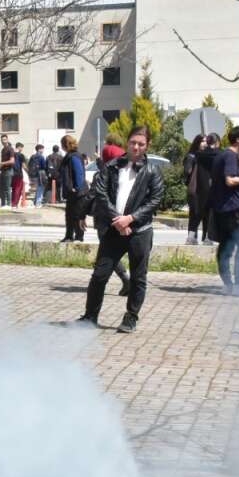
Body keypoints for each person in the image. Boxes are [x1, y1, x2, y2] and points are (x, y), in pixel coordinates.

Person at [76, 126, 164, 334]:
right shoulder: (113, 166)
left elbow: (155, 200)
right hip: (114, 230)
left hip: (140, 231)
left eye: (141, 144)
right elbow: (101, 193)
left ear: (147, 146)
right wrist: (118, 221)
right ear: (127, 142)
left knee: (138, 278)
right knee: (99, 275)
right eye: (133, 142)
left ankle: (131, 317)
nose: (136, 147)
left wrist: (130, 219)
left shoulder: (153, 171)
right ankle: (90, 316)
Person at [209, 126, 239, 295]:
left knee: (227, 246)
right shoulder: (230, 155)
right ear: (238, 140)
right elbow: (229, 181)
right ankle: (238, 282)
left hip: (225, 208)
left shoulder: (223, 155)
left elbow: (224, 184)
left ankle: (230, 283)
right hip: (233, 210)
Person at [59, 134, 88, 242]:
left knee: (77, 215)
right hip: (72, 192)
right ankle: (69, 236)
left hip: (78, 193)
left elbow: (79, 173)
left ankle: (79, 238)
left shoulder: (74, 156)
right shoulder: (71, 156)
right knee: (70, 215)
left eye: (62, 144)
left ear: (65, 145)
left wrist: (77, 187)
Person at [182, 134, 209, 244]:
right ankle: (191, 237)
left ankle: (207, 238)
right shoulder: (191, 156)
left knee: (207, 214)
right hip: (195, 190)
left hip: (206, 189)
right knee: (195, 213)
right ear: (197, 142)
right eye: (202, 141)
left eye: (206, 141)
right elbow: (187, 172)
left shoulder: (207, 156)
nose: (205, 143)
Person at [0, 136, 14, 208]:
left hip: (8, 170)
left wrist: (3, 163)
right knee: (1, 188)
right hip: (3, 171)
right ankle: (3, 204)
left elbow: (12, 161)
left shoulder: (10, 149)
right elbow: (2, 162)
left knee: (7, 188)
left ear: (7, 140)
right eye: (2, 140)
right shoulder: (3, 150)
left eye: (4, 139)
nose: (3, 141)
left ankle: (9, 204)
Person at [11, 142, 27, 207]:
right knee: (18, 189)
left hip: (11, 173)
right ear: (19, 147)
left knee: (13, 189)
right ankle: (15, 203)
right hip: (19, 174)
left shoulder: (12, 154)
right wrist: (28, 171)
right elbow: (23, 165)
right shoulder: (21, 155)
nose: (22, 149)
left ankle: (12, 202)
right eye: (22, 147)